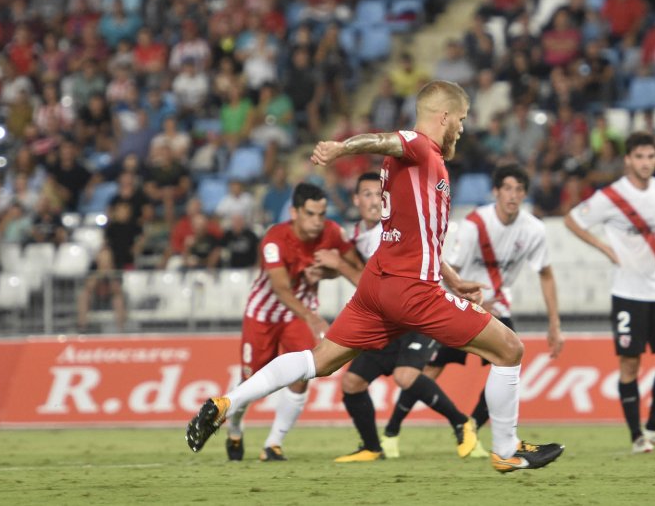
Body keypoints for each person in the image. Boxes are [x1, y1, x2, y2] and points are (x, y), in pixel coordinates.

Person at [187, 81, 564, 473]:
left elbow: (419, 235)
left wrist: (452, 278)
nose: (463, 129)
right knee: (509, 348)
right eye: (462, 120)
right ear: (445, 117)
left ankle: (227, 402)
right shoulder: (420, 147)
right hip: (412, 290)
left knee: (322, 361)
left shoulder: (419, 165)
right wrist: (341, 147)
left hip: (379, 284)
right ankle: (506, 449)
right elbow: (387, 140)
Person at [379, 163, 564, 459]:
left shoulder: (534, 230)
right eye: (507, 188)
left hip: (499, 312)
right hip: (462, 309)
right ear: (495, 192)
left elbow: (546, 273)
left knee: (506, 364)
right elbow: (452, 273)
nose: (513, 195)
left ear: (525, 194)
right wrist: (471, 301)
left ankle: (472, 427)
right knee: (428, 372)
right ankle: (391, 434)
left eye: (519, 190)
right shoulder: (475, 225)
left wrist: (554, 323)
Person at [327, 172, 481, 463]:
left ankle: (462, 422)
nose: (374, 201)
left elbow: (369, 285)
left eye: (379, 194)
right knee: (352, 383)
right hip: (388, 322)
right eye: (368, 195)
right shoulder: (359, 233)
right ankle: (372, 447)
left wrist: (338, 265)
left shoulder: (384, 233)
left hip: (418, 313)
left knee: (405, 376)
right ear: (356, 200)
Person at [564, 132, 655, 454]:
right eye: (639, 157)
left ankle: (654, 426)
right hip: (627, 292)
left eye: (650, 157)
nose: (646, 163)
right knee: (630, 365)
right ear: (628, 160)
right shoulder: (611, 197)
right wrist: (603, 246)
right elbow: (572, 220)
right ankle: (637, 436)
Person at [224, 182, 363, 462]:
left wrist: (328, 272)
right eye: (310, 214)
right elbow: (281, 289)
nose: (317, 221)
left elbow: (358, 272)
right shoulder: (274, 238)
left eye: (321, 214)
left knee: (302, 376)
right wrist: (313, 317)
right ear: (294, 212)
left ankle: (273, 445)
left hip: (298, 317)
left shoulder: (333, 233)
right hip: (263, 316)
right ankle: (235, 429)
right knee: (250, 382)